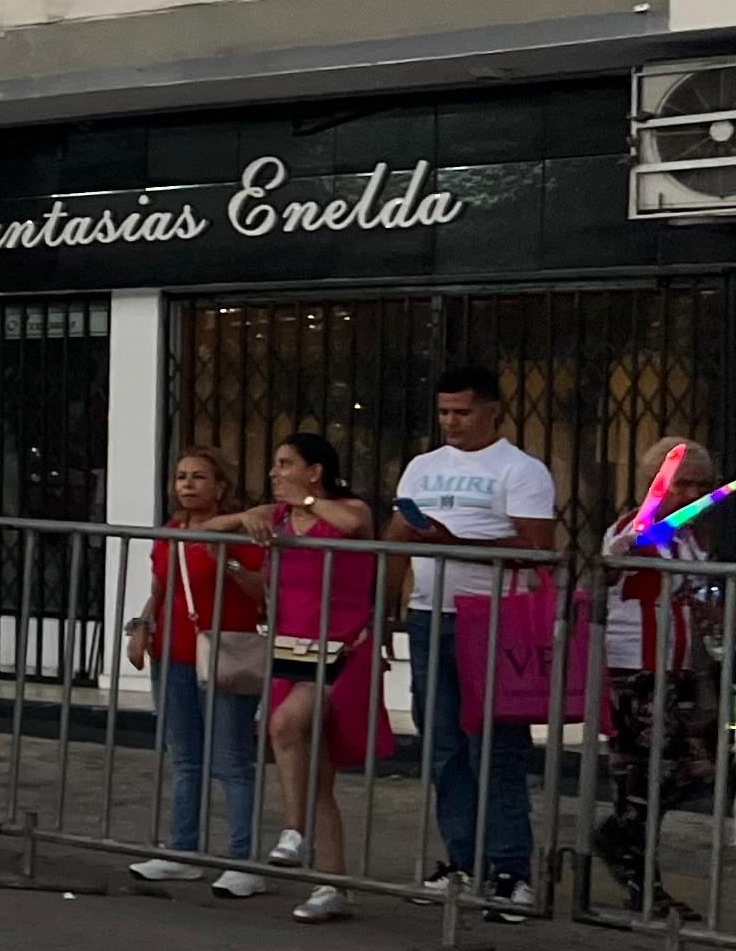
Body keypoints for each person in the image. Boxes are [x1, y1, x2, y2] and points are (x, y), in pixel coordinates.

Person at [387, 364, 559, 920]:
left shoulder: (521, 469)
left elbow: (536, 549)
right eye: (443, 412)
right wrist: (382, 606)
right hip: (427, 615)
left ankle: (512, 871)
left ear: (493, 411)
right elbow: (394, 539)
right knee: (442, 746)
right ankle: (463, 862)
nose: (452, 423)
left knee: (497, 748)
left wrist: (449, 541)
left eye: (462, 412)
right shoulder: (422, 466)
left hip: (492, 618)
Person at [215, 434, 380, 922]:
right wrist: (245, 518)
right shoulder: (280, 519)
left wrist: (307, 501)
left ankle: (293, 830)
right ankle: (332, 884)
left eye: (285, 463)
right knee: (318, 773)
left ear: (315, 471)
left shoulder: (346, 509)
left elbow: (353, 523)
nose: (275, 472)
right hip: (292, 651)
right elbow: (208, 525)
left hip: (342, 651)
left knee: (285, 725)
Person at [590, 437, 726, 919]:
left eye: (701, 484)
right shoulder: (640, 526)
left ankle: (619, 840)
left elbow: (684, 591)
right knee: (644, 777)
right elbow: (624, 553)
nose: (691, 493)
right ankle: (642, 883)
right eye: (679, 483)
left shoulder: (691, 538)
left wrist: (713, 614)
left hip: (680, 666)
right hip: (638, 669)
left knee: (688, 771)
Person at [123, 448, 268, 896]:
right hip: (173, 653)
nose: (187, 485)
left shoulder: (241, 530)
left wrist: (225, 558)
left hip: (226, 652)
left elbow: (262, 589)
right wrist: (142, 626)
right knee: (186, 759)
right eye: (181, 476)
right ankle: (182, 852)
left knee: (231, 761)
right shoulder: (169, 532)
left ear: (220, 487)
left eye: (199, 477)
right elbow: (162, 587)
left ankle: (244, 861)